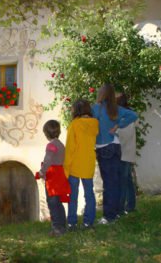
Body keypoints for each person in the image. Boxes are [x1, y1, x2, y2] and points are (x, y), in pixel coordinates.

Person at [92, 84, 138, 224]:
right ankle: (116, 212)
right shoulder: (116, 109)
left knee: (109, 184)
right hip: (116, 146)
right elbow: (133, 115)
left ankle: (109, 216)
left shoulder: (96, 108)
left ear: (100, 94)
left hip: (104, 147)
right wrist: (119, 125)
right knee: (115, 182)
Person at [64, 99, 99, 230]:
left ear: (76, 110)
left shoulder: (74, 125)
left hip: (74, 164)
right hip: (88, 162)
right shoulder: (95, 123)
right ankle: (88, 222)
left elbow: (70, 148)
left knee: (73, 195)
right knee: (89, 193)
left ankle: (72, 222)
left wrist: (65, 167)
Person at [37, 120, 71, 236]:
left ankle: (57, 228)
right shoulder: (60, 144)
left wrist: (42, 172)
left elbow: (48, 160)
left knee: (52, 202)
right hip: (60, 175)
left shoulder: (51, 145)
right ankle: (62, 225)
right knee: (58, 202)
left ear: (46, 133)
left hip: (52, 178)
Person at [116, 93, 137, 214]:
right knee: (127, 180)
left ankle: (120, 209)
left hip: (123, 152)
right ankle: (130, 205)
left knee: (123, 181)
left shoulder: (125, 117)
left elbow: (122, 135)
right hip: (127, 152)